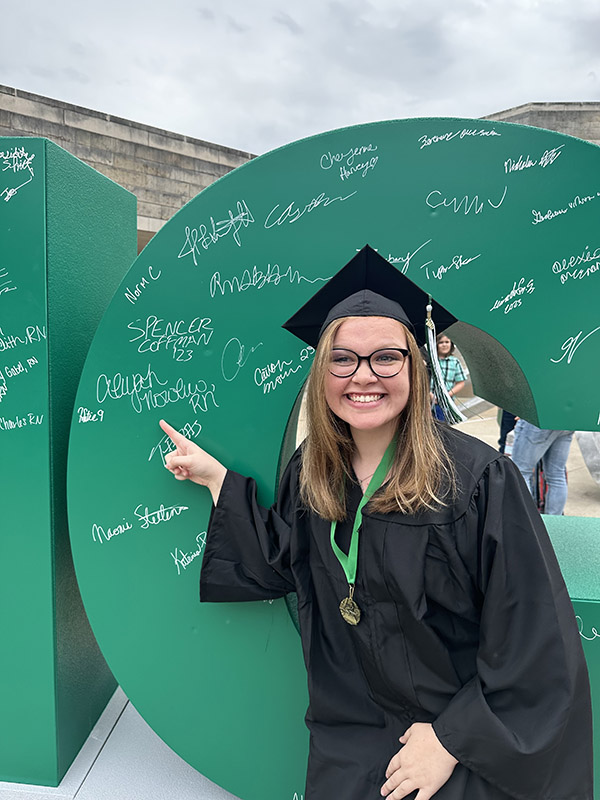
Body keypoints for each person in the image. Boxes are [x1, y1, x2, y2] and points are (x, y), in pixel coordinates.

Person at [160, 247, 592, 800]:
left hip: (456, 733)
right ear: (322, 373)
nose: (363, 377)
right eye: (343, 359)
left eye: (386, 357)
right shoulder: (314, 469)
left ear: (415, 366)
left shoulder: (479, 480)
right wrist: (217, 480)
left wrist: (452, 739)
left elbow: (533, 637)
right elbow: (282, 555)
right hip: (352, 731)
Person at [511, 419, 574, 515]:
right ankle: (555, 521)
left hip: (537, 421)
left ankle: (526, 520)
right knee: (556, 474)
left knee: (521, 472)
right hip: (567, 420)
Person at [430, 335, 466, 422]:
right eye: (441, 342)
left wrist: (447, 395)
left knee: (442, 426)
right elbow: (423, 379)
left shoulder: (455, 362)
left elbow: (460, 382)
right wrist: (430, 395)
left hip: (446, 403)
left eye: (447, 342)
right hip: (429, 400)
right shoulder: (431, 360)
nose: (444, 345)